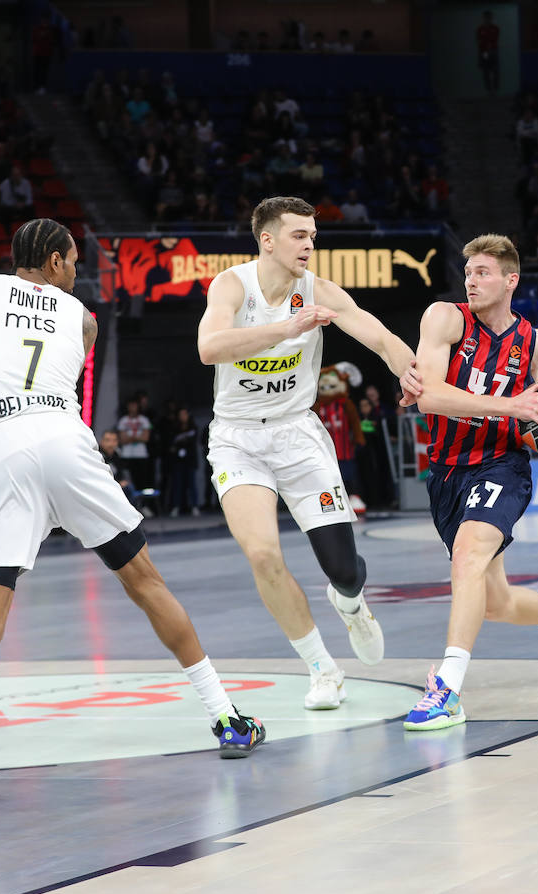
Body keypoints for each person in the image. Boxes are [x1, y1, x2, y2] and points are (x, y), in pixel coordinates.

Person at [0, 219, 266, 798]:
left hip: (2, 444)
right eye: (75, 260)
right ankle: (226, 716)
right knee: (146, 583)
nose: (78, 270)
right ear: (55, 262)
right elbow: (45, 377)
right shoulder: (84, 321)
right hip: (64, 439)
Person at [198, 197, 422, 709]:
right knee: (262, 555)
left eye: (313, 235)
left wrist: (409, 373)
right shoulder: (232, 285)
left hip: (297, 435)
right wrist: (287, 328)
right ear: (268, 240)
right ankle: (323, 668)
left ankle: (351, 605)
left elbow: (381, 338)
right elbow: (209, 348)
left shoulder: (319, 291)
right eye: (299, 235)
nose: (310, 244)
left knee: (343, 569)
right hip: (237, 439)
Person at [409, 233, 538, 730]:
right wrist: (509, 406)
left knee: (469, 558)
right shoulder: (444, 317)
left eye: (483, 273)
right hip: (446, 470)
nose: (471, 280)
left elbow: (527, 409)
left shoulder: (533, 340)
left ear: (510, 280)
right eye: (468, 272)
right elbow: (429, 396)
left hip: (501, 465)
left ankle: (447, 690)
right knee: (494, 602)